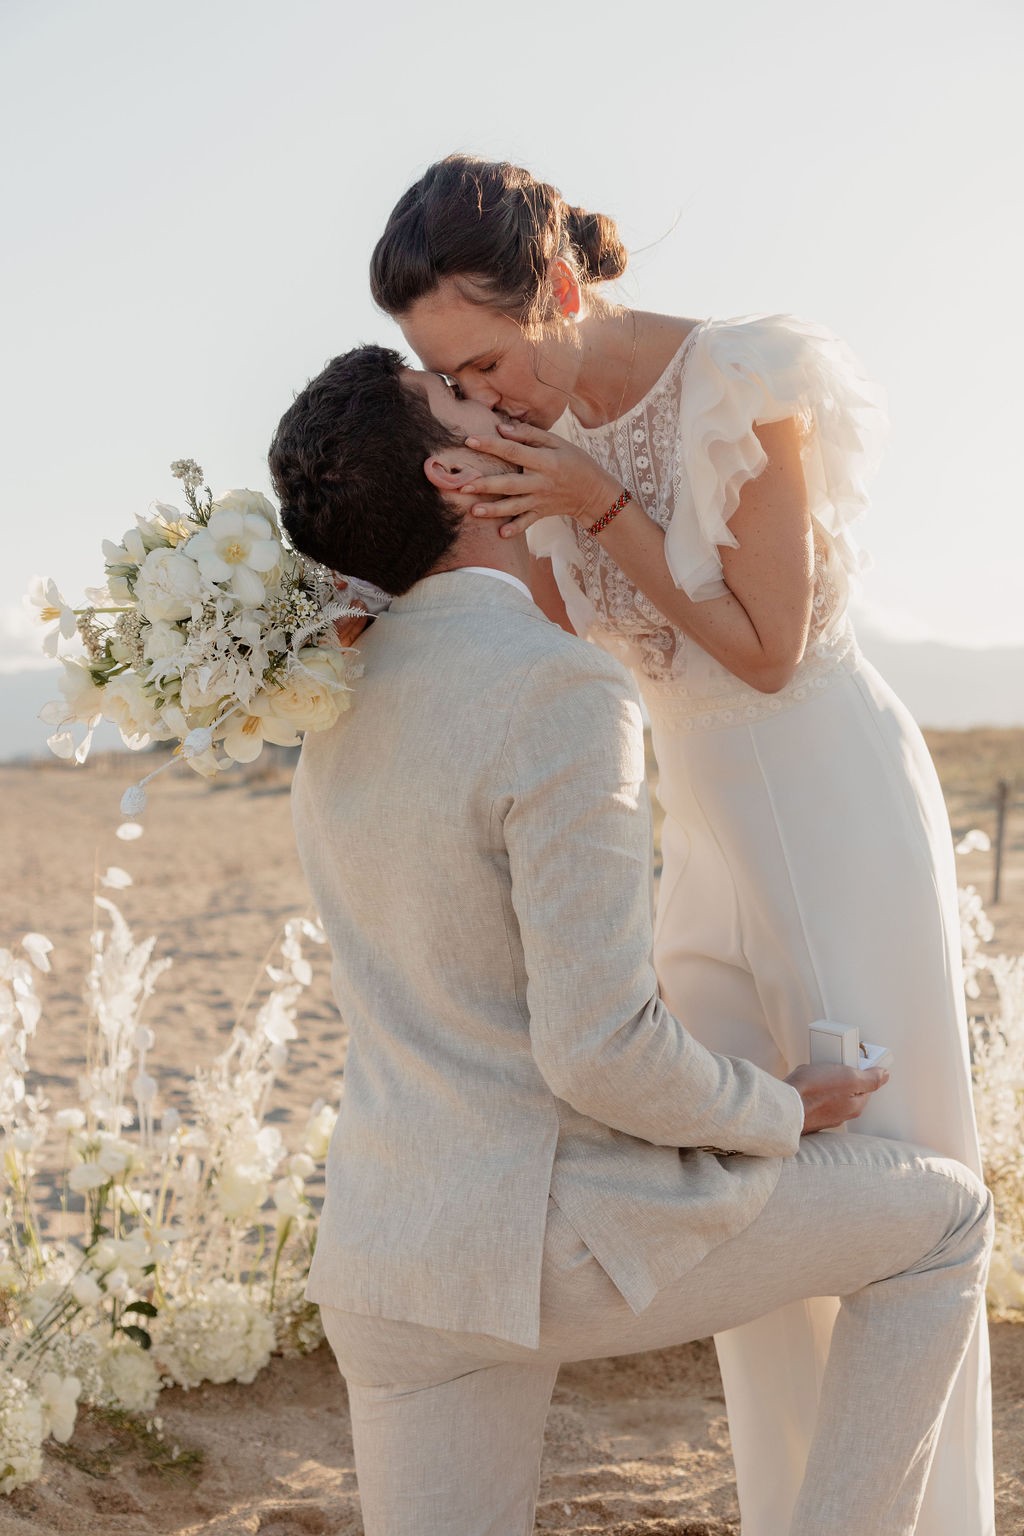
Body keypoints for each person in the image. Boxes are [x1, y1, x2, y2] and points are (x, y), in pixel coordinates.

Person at [368, 155, 995, 1536]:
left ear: (563, 289)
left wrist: (597, 506)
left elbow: (766, 654)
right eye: (446, 373)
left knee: (903, 1176)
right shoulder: (521, 438)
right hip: (697, 832)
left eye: (486, 357)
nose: (483, 394)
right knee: (739, 1193)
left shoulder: (743, 382)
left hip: (830, 810)